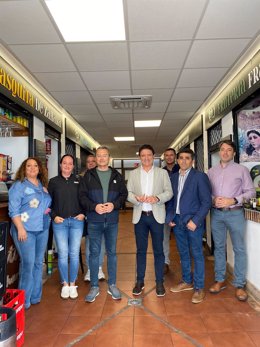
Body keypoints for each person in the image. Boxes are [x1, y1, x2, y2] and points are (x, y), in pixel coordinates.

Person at [208, 140, 255, 301]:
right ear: (219, 152)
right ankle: (220, 280)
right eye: (222, 149)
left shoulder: (242, 170)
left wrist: (233, 200)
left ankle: (240, 284)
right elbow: (206, 193)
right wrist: (213, 200)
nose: (225, 152)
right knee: (219, 248)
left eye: (229, 150)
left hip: (235, 214)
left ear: (234, 153)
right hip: (217, 215)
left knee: (239, 249)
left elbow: (251, 192)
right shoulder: (211, 172)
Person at [79, 146, 127, 303]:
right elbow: (82, 196)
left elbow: (123, 194)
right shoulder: (89, 176)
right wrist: (94, 207)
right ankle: (94, 286)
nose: (101, 158)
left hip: (112, 220)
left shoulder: (116, 175)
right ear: (96, 158)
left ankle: (112, 285)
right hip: (94, 220)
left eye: (104, 156)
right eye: (98, 156)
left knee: (112, 253)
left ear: (109, 158)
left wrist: (114, 205)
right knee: (94, 253)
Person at [166, 148, 211, 304]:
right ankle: (186, 280)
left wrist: (196, 220)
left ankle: (199, 288)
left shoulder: (200, 177)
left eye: (187, 158)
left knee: (197, 254)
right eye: (181, 158)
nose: (183, 160)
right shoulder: (172, 178)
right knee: (183, 253)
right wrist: (170, 217)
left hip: (193, 222)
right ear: (177, 160)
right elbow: (171, 201)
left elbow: (206, 202)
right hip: (177, 221)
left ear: (192, 161)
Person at [127, 144, 173, 297]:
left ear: (153, 156)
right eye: (143, 155)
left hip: (156, 216)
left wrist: (157, 198)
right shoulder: (133, 174)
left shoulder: (162, 173)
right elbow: (128, 193)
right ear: (139, 157)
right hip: (140, 216)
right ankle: (139, 281)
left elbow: (169, 192)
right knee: (141, 250)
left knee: (158, 251)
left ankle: (159, 282)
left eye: (149, 155)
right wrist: (136, 198)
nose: (146, 158)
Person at [8, 157, 51, 309]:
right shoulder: (18, 186)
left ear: (40, 169)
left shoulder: (41, 186)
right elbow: (13, 210)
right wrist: (20, 228)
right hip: (26, 230)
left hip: (42, 229)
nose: (32, 168)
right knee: (28, 264)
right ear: (23, 169)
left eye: (35, 166)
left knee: (38, 263)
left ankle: (35, 297)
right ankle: (23, 301)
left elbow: (43, 206)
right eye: (28, 166)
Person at [48, 154, 85, 300]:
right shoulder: (53, 182)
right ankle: (65, 284)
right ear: (60, 165)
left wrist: (83, 213)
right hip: (60, 223)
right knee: (63, 253)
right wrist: (54, 216)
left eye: (70, 163)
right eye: (65, 163)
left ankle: (72, 283)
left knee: (74, 253)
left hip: (77, 221)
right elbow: (47, 203)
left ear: (73, 166)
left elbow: (85, 198)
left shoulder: (80, 180)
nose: (67, 166)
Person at [83, 154, 106, 282]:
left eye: (93, 161)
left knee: (101, 243)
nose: (91, 163)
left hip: (102, 216)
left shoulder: (101, 177)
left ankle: (99, 268)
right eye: (88, 161)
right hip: (88, 216)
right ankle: (90, 270)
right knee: (90, 244)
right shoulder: (83, 178)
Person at [162, 148, 179, 274]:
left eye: (171, 155)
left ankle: (186, 262)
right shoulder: (160, 172)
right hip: (164, 209)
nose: (169, 157)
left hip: (181, 209)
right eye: (166, 155)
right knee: (164, 237)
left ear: (175, 156)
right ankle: (165, 262)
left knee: (182, 237)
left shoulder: (182, 169)